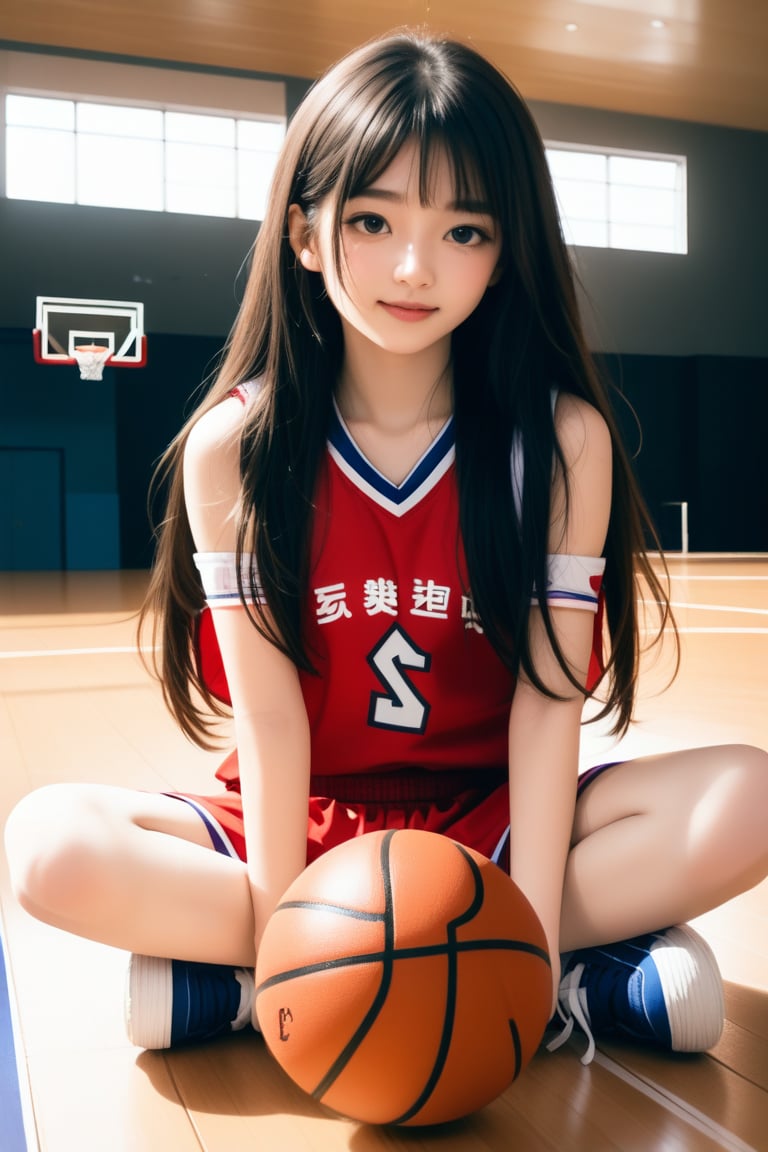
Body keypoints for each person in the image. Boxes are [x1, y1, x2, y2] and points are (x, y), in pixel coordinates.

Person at [5, 31, 767, 1066]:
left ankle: (500, 960)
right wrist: (291, 950)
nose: (416, 267)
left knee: (751, 800)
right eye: (372, 220)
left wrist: (530, 942)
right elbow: (271, 727)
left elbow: (548, 708)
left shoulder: (559, 444)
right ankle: (387, 962)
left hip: (496, 817)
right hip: (307, 823)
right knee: (47, 848)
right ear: (306, 236)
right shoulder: (239, 447)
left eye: (465, 231)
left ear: (506, 256)